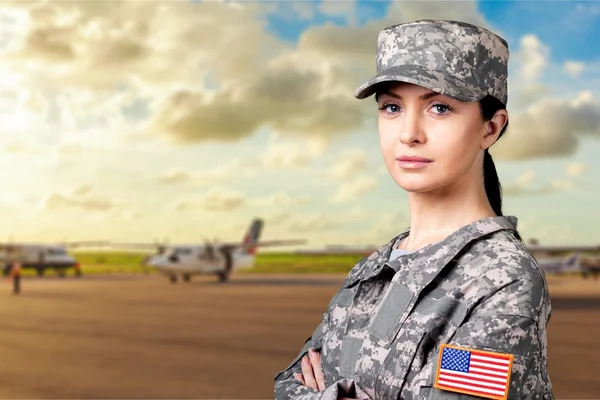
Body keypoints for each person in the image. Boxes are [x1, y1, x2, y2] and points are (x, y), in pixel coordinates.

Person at [273, 20, 554, 400]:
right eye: (391, 107)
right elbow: (288, 386)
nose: (409, 133)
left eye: (439, 107)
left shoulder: (502, 280)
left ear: (490, 128)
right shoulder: (372, 270)